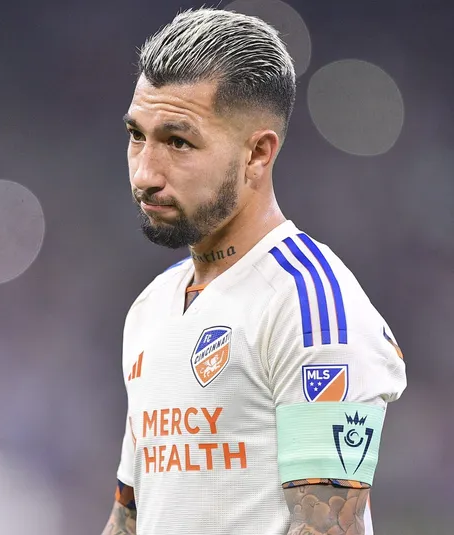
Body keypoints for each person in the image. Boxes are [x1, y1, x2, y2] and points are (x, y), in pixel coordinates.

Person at [100, 8, 407, 535]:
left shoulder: (308, 305)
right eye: (136, 135)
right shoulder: (152, 306)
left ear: (258, 154)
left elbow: (330, 527)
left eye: (178, 142)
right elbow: (130, 518)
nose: (145, 173)